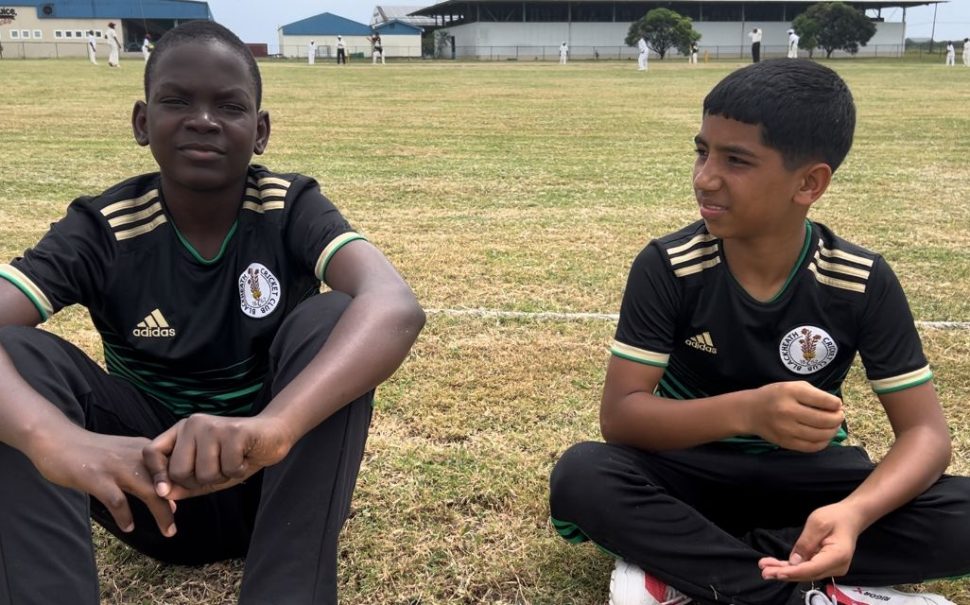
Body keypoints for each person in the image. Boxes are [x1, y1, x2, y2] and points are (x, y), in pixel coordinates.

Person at [0, 20, 424, 605]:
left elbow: (395, 304)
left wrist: (273, 429)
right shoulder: (104, 229)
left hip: (274, 488)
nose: (203, 119)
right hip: (151, 499)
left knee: (336, 317)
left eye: (230, 105)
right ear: (142, 122)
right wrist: (50, 439)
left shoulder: (287, 205)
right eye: (177, 101)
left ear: (261, 131)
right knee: (17, 359)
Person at [549, 59, 970, 605]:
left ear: (809, 183)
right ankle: (804, 592)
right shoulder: (670, 266)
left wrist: (852, 514)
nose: (706, 176)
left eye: (737, 160)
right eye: (702, 151)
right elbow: (622, 417)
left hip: (808, 485)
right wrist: (747, 411)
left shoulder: (859, 280)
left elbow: (927, 436)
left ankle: (691, 570)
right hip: (688, 474)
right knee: (584, 475)